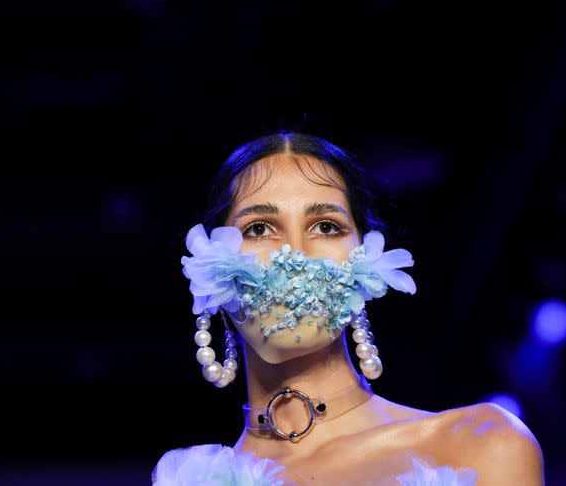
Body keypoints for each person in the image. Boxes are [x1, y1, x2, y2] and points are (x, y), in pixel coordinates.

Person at [152, 131, 544, 485]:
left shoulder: (478, 447)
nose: (296, 255)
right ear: (208, 268)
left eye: (325, 226)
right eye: (259, 228)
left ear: (365, 259)